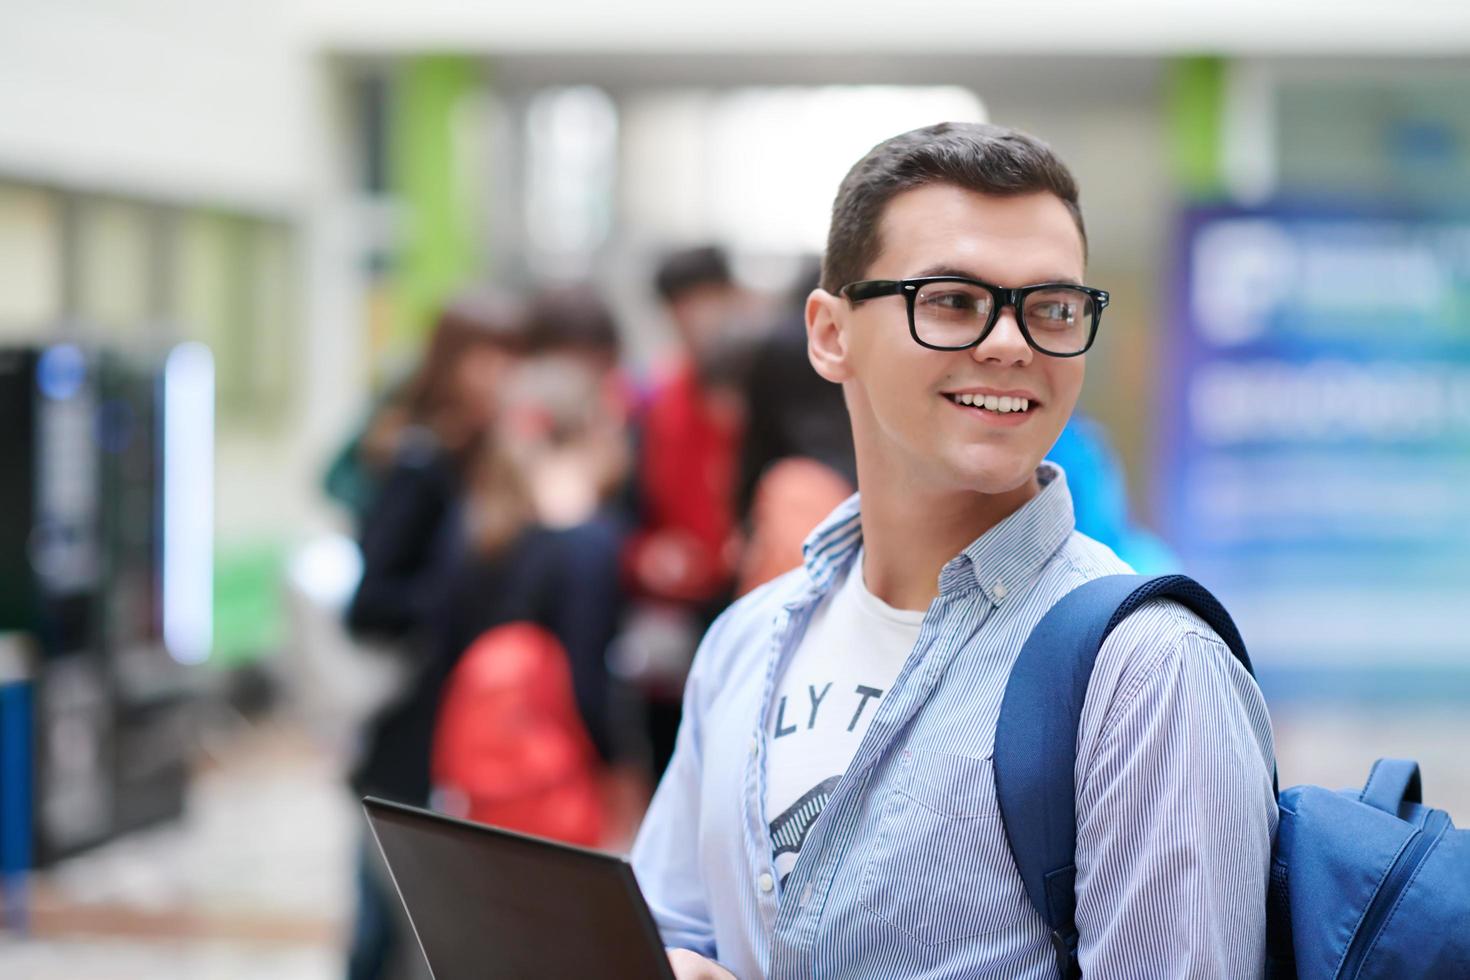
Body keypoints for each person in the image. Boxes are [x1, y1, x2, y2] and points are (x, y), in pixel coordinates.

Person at [631, 123, 1277, 979]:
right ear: (831, 334)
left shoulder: (1149, 674)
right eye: (952, 301)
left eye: (1051, 308)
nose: (1011, 343)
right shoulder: (749, 641)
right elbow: (668, 926)